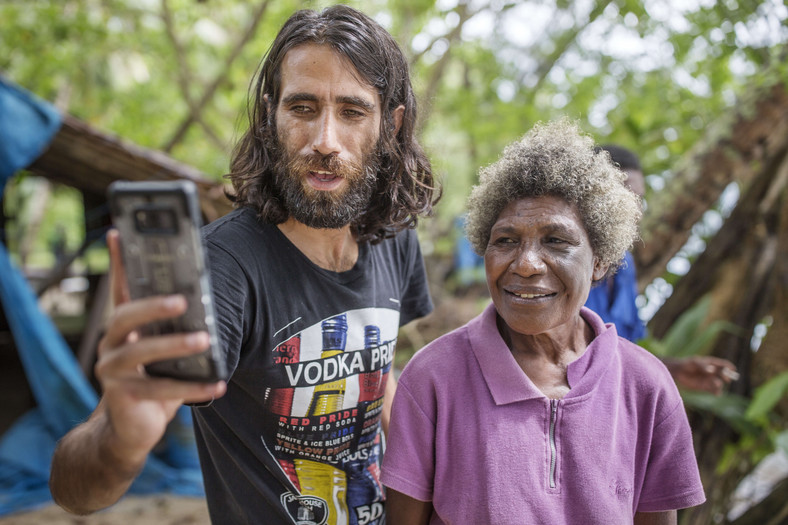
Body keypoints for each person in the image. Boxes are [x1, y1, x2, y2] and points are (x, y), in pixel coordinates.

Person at [49, 6, 439, 525]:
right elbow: (76, 495)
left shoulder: (395, 239)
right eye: (302, 107)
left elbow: (379, 376)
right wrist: (120, 441)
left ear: (389, 124)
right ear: (271, 113)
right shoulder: (222, 269)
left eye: (352, 111)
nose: (325, 140)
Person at [381, 120, 706, 525]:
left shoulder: (647, 387)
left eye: (556, 240)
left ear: (600, 260)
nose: (527, 264)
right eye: (505, 240)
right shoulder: (433, 377)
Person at [588, 144, 738, 395]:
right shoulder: (559, 264)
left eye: (640, 199)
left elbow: (624, 352)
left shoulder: (625, 266)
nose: (635, 211)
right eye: (624, 196)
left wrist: (675, 369)